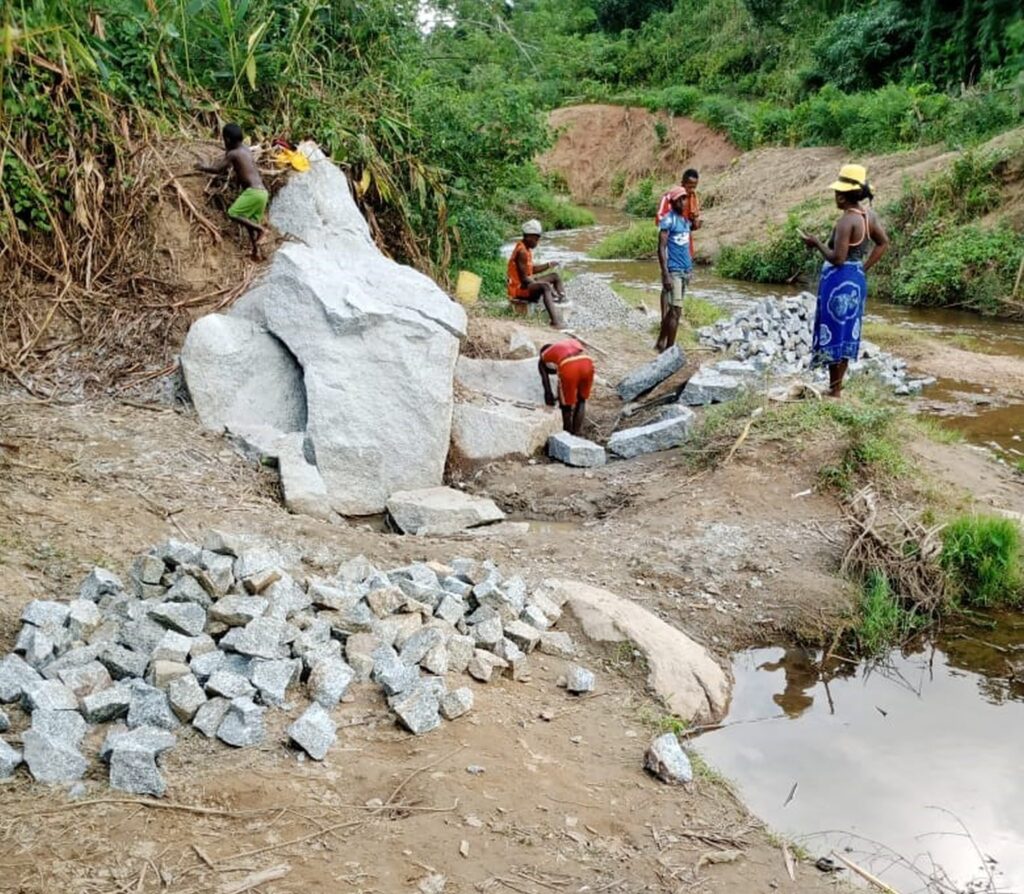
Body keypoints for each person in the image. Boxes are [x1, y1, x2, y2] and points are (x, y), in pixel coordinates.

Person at [801, 164, 890, 398]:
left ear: (842, 196)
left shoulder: (846, 222)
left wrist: (816, 243)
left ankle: (834, 390)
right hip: (856, 280)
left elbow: (837, 258)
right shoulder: (868, 216)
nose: (835, 197)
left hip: (837, 281)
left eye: (836, 193)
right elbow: (883, 243)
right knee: (847, 331)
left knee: (833, 331)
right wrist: (863, 268)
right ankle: (836, 387)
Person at [196, 123, 269, 260]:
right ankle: (256, 252)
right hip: (262, 192)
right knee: (249, 224)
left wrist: (202, 167)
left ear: (227, 140)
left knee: (233, 213)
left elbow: (218, 169)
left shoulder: (233, 153)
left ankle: (262, 230)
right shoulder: (245, 149)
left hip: (253, 192)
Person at [507, 219, 566, 328]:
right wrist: (547, 287)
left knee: (554, 276)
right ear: (529, 237)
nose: (537, 242)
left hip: (526, 285)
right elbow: (524, 279)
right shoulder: (522, 252)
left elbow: (531, 270)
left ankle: (561, 301)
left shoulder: (526, 249)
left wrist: (548, 264)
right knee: (546, 287)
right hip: (520, 290)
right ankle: (555, 322)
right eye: (536, 239)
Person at [654, 187, 693, 352]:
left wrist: (690, 269)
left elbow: (686, 247)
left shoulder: (684, 221)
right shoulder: (668, 221)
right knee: (676, 312)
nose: (683, 202)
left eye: (684, 199)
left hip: (685, 271)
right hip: (674, 271)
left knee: (672, 313)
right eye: (680, 199)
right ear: (673, 202)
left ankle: (660, 342)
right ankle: (670, 351)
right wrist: (665, 274)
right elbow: (661, 248)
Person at [538, 337, 594, 435]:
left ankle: (566, 435)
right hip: (587, 363)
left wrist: (550, 400)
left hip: (569, 366)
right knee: (581, 400)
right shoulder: (567, 344)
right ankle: (577, 433)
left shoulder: (543, 356)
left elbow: (546, 385)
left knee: (566, 405)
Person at [655, 168, 702, 257]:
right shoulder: (670, 196)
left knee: (686, 261)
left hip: (685, 239)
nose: (692, 190)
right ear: (682, 183)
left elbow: (692, 218)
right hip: (672, 239)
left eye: (694, 187)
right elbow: (660, 218)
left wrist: (695, 224)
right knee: (672, 264)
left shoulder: (693, 197)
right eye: (689, 187)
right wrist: (676, 225)